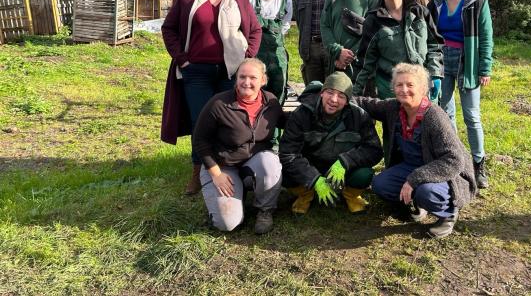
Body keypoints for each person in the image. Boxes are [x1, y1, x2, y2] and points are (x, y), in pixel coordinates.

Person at [161, 0, 262, 196]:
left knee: (228, 121)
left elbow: (255, 30)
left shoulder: (239, 0)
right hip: (196, 72)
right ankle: (198, 172)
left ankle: (227, 168)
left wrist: (247, 58)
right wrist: (182, 58)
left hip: (230, 73)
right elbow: (169, 29)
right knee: (200, 122)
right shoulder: (187, 0)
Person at [355, 63, 476, 239]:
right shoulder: (394, 108)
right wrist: (337, 95)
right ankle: (415, 202)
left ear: (422, 88)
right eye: (399, 85)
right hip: (411, 166)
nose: (404, 89)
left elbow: (454, 160)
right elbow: (366, 103)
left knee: (426, 192)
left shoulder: (434, 116)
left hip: (447, 173)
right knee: (381, 184)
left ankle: (448, 213)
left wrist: (413, 180)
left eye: (410, 85)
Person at [192, 58, 283, 234]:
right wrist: (216, 174)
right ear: (236, 78)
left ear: (263, 80)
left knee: (270, 161)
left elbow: (287, 122)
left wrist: (312, 113)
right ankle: (229, 197)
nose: (246, 83)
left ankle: (265, 210)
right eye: (242, 77)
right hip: (222, 166)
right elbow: (200, 140)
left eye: (253, 78)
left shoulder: (270, 102)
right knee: (227, 224)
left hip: (253, 163)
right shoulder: (218, 104)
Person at [428, 0, 493, 189]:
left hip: (468, 62)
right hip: (441, 61)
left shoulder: (477, 2)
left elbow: (486, 38)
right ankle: (456, 160)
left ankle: (478, 164)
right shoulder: (436, 2)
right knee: (445, 112)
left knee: (472, 116)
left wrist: (485, 68)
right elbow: (430, 34)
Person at [279, 72, 382, 214]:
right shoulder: (301, 114)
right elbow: (288, 153)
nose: (334, 100)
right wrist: (314, 179)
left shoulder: (359, 116)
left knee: (364, 174)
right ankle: (306, 194)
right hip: (311, 165)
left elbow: (374, 149)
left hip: (341, 169)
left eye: (341, 96)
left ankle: (351, 196)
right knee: (284, 172)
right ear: (322, 93)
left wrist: (345, 161)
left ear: (347, 101)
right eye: (330, 92)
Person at [353, 0, 444, 99]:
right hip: (391, 89)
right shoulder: (373, 20)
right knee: (396, 120)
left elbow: (435, 45)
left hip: (423, 84)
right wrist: (354, 94)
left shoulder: (420, 12)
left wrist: (435, 74)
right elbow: (365, 61)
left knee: (427, 119)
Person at [320, 0, 380, 79]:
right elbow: (325, 27)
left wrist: (347, 58)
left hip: (362, 67)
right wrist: (338, 52)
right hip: (335, 63)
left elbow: (375, 33)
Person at [244, 0, 293, 105]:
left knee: (277, 95)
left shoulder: (286, 0)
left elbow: (285, 25)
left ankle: (275, 127)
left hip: (277, 54)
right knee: (253, 94)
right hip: (254, 53)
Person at [295, 0, 341, 85]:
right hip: (311, 49)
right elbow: (300, 23)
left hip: (332, 48)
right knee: (313, 91)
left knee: (334, 89)